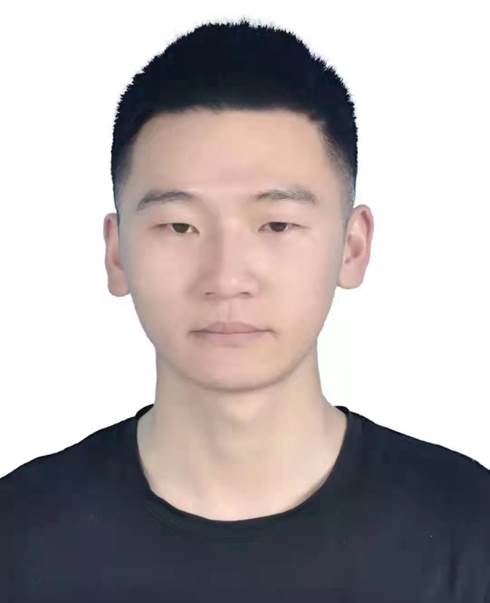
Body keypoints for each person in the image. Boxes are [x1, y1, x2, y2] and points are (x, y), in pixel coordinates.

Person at [1, 18, 488, 602]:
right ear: (117, 253)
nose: (227, 278)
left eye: (276, 224)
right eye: (179, 226)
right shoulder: (18, 541)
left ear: (353, 246)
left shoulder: (470, 533)